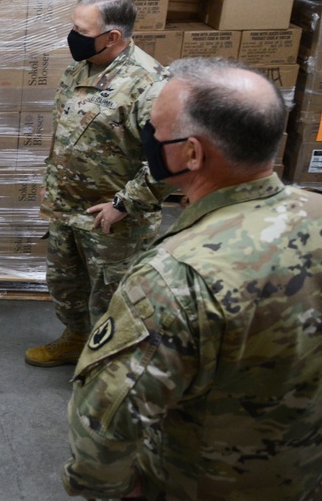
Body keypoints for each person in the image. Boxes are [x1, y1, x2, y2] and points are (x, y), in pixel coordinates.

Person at [63, 58, 322, 500]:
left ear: (193, 153)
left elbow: (104, 424)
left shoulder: (173, 278)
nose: (146, 138)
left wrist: (112, 488)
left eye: (154, 132)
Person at [26, 0, 173, 367]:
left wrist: (124, 205)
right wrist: (51, 179)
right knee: (66, 286)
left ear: (113, 37)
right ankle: (75, 340)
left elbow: (167, 163)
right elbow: (66, 132)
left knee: (111, 298)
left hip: (111, 220)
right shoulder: (81, 66)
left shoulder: (149, 84)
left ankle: (106, 366)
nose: (72, 36)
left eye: (80, 29)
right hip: (67, 208)